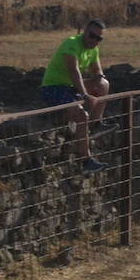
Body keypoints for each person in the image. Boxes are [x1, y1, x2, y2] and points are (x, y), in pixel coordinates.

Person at [40, 20, 111, 172]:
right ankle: (86, 161)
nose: (95, 41)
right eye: (92, 36)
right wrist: (85, 96)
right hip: (54, 87)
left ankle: (96, 124)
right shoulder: (71, 44)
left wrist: (98, 80)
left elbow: (97, 71)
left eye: (99, 39)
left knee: (104, 84)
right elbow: (74, 72)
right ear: (85, 32)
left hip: (71, 87)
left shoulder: (94, 49)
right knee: (81, 115)